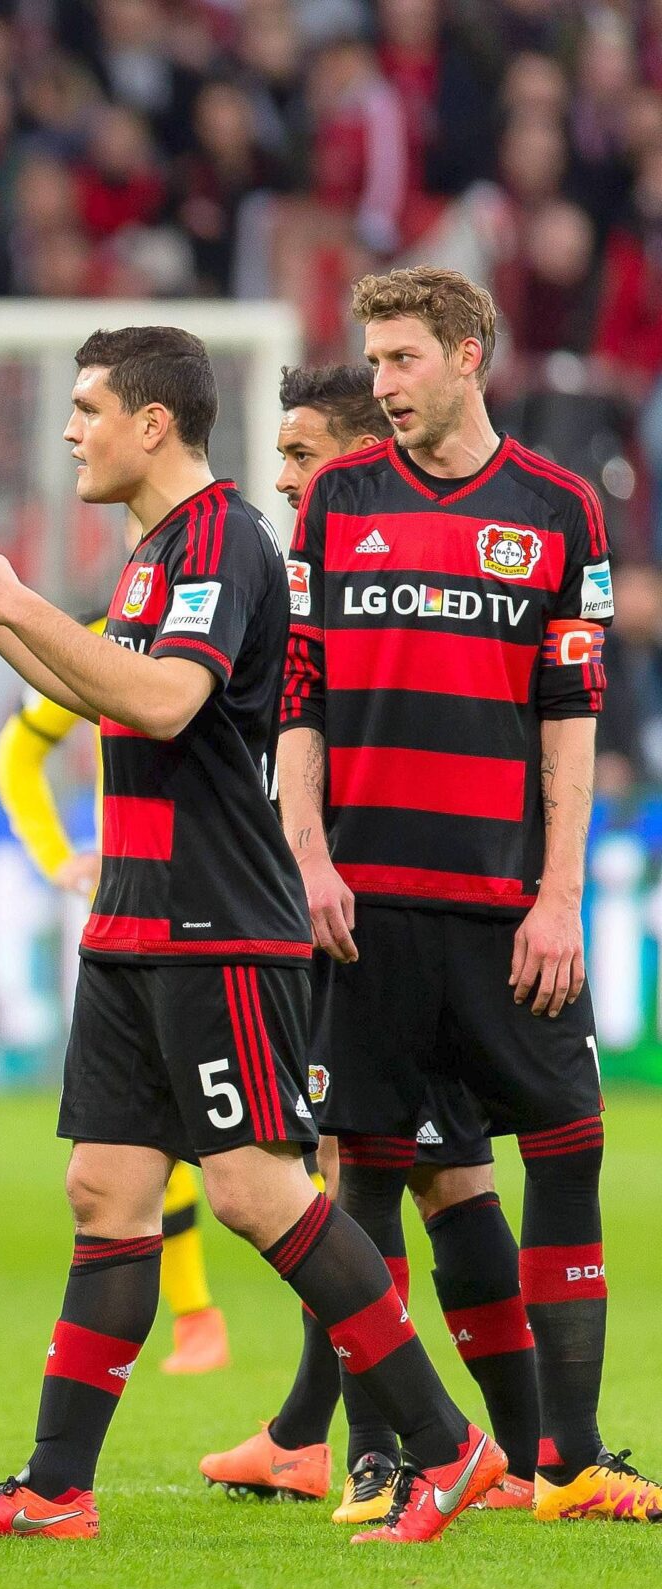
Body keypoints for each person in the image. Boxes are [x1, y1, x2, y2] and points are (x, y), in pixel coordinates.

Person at [0, 326, 497, 1545]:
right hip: (134, 920)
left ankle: (446, 1448)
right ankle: (56, 1489)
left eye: (87, 407)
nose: (70, 429)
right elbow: (102, 687)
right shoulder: (156, 548)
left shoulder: (223, 535)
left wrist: (15, 601)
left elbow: (168, 699)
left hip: (213, 920)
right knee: (104, 1188)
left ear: (153, 422)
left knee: (253, 1190)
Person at [280, 266, 662, 1524]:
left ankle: (568, 1460)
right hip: (363, 910)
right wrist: (309, 858)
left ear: (467, 353)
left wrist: (559, 896)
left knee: (566, 1148)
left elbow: (572, 717)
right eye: (373, 361)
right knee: (364, 1172)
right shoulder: (335, 501)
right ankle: (387, 1458)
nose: (379, 384)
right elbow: (302, 700)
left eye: (399, 360)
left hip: (507, 912)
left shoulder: (556, 511)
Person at [200, 362, 531, 1519]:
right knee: (403, 1165)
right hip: (356, 893)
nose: (278, 478)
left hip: (393, 900)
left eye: (299, 456)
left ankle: (436, 1451)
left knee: (406, 1167)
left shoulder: (369, 573)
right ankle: (342, 1437)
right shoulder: (314, 566)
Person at [0, 599, 230, 1380]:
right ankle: (198, 1318)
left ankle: (334, 1388)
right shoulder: (103, 636)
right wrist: (60, 858)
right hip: (137, 916)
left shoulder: (247, 614)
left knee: (293, 1158)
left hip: (245, 913)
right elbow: (16, 756)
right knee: (143, 1134)